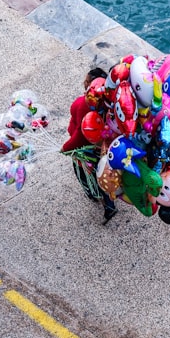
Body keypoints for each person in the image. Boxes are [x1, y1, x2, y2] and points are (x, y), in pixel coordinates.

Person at [61, 67, 119, 224]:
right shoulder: (111, 102)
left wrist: (66, 148)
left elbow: (80, 134)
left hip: (86, 150)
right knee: (105, 174)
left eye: (86, 82)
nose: (84, 83)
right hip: (105, 149)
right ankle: (109, 204)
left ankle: (94, 195)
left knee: (87, 174)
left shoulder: (83, 104)